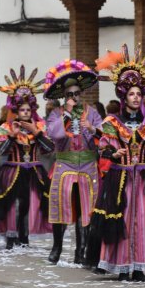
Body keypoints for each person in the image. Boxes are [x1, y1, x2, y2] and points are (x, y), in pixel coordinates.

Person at [89, 44, 145, 281]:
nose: (136, 98)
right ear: (123, 96)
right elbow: (103, 147)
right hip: (121, 180)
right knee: (123, 219)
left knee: (143, 220)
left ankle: (138, 267)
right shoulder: (112, 123)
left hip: (143, 179)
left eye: (139, 94)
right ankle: (121, 266)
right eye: (131, 94)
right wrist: (112, 153)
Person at [0, 66, 54, 249]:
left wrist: (36, 133)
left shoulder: (39, 126)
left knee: (28, 204)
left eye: (28, 109)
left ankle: (24, 237)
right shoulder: (6, 128)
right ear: (16, 110)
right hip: (12, 171)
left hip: (33, 171)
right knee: (11, 205)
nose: (25, 113)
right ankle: (11, 237)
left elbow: (49, 149)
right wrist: (13, 136)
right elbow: (1, 151)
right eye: (21, 110)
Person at [43, 59, 102, 264]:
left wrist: (91, 129)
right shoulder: (55, 114)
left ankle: (82, 249)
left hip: (87, 166)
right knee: (60, 206)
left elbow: (102, 138)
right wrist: (67, 115)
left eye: (77, 94)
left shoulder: (91, 112)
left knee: (86, 209)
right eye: (69, 95)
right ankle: (57, 247)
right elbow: (54, 135)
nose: (74, 98)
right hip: (65, 165)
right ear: (64, 97)